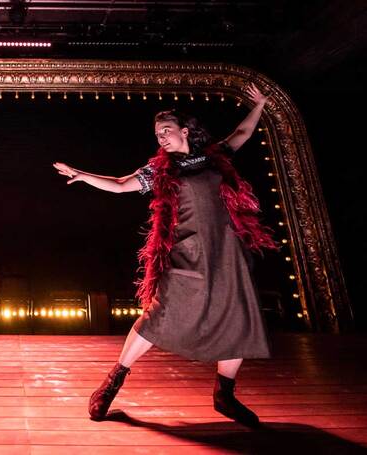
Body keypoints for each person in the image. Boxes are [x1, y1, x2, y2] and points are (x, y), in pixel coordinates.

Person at [53, 84, 276, 427]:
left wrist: (259, 104)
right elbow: (120, 183)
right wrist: (83, 175)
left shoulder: (216, 155)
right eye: (157, 134)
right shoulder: (160, 170)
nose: (161, 138)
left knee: (237, 317)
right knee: (158, 316)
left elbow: (243, 131)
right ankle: (111, 384)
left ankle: (224, 395)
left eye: (167, 131)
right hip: (186, 254)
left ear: (185, 131)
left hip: (227, 252)